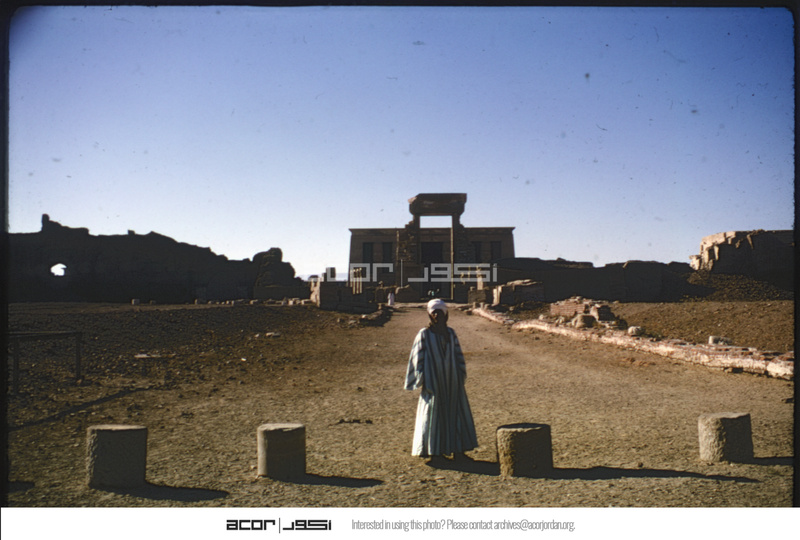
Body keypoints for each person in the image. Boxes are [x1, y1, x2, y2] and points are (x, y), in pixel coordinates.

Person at [404, 298, 478, 461]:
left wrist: (460, 376)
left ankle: (458, 451)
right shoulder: (424, 334)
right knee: (433, 416)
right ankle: (434, 452)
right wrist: (421, 378)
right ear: (430, 315)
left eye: (440, 312)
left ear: (446, 314)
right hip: (433, 382)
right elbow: (417, 358)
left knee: (456, 414)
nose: (437, 315)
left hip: (452, 382)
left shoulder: (450, 333)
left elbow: (458, 355)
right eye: (434, 312)